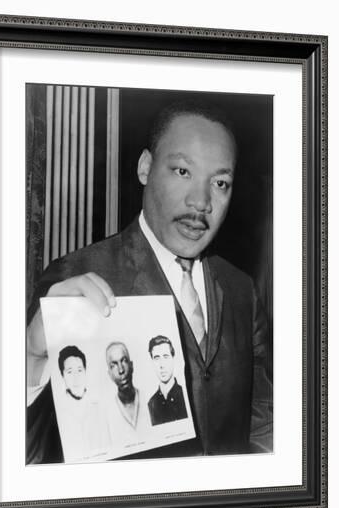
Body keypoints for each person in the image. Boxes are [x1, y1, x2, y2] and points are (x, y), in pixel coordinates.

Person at [27, 100, 273, 463]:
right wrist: (30, 358)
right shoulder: (74, 277)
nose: (201, 202)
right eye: (182, 171)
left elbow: (263, 419)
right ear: (145, 167)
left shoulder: (241, 289)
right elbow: (22, 455)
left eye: (220, 182)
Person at [55, 346, 110, 462]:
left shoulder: (99, 407)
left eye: (80, 370)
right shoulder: (58, 413)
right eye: (70, 372)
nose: (76, 377)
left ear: (85, 371)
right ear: (62, 375)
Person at [105, 342, 150, 444]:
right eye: (114, 365)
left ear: (132, 365)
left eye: (124, 361)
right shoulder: (108, 413)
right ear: (110, 374)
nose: (121, 370)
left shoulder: (149, 400)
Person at [147, 335, 188, 426]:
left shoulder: (186, 396)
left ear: (173, 358)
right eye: (157, 358)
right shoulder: (151, 405)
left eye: (166, 357)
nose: (162, 365)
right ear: (152, 362)